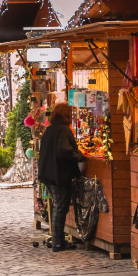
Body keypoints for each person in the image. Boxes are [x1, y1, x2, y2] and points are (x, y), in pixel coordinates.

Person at [38, 102, 85, 253]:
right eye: (69, 114)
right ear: (65, 115)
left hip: (49, 174)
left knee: (59, 206)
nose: (71, 117)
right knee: (60, 206)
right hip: (58, 174)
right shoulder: (63, 130)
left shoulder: (50, 130)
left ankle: (58, 239)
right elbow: (64, 151)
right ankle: (58, 241)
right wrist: (78, 155)